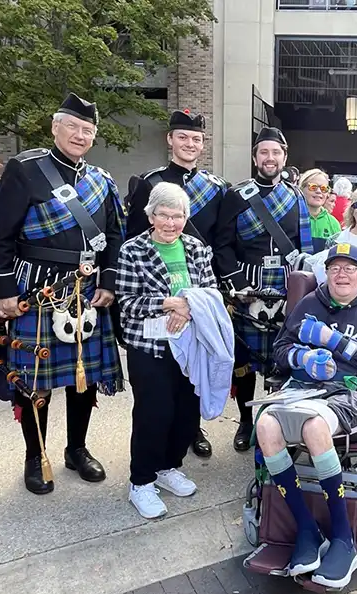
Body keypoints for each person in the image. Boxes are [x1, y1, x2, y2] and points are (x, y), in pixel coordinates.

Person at [0, 93, 125, 495]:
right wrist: (4, 290)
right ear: (55, 126)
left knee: (85, 379)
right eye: (73, 127)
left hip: (87, 292)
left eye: (88, 130)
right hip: (37, 291)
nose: (80, 135)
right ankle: (36, 455)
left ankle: (76, 449)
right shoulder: (25, 169)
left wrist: (109, 281)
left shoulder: (102, 179)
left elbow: (114, 235)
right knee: (33, 380)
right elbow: (0, 235)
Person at [256, 243, 357, 589]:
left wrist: (333, 341)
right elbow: (280, 349)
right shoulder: (309, 304)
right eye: (335, 268)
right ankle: (306, 528)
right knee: (265, 425)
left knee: (315, 427)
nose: (342, 274)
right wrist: (303, 360)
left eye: (350, 268)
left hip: (349, 391)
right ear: (327, 273)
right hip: (303, 386)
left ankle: (344, 540)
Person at [125, 109, 227, 458]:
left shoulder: (215, 187)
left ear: (203, 144)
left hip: (200, 286)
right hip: (156, 300)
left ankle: (190, 432)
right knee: (156, 401)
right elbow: (135, 241)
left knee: (190, 385)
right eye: (182, 136)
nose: (189, 143)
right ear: (170, 139)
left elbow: (223, 239)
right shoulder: (148, 183)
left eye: (196, 138)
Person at [117, 182, 220, 519]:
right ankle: (142, 481)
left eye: (178, 216)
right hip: (150, 346)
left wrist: (186, 308)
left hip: (190, 343)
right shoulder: (132, 251)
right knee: (153, 412)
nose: (171, 223)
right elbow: (128, 304)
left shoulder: (197, 248)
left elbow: (210, 292)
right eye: (164, 215)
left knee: (185, 412)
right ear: (151, 216)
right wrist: (168, 303)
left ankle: (168, 467)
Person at [212, 126, 313, 451]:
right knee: (245, 361)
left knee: (281, 358)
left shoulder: (297, 196)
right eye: (264, 152)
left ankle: (275, 423)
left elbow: (304, 248)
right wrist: (237, 282)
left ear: (284, 157)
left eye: (276, 153)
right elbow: (222, 245)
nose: (270, 158)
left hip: (286, 286)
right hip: (247, 286)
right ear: (255, 157)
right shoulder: (235, 195)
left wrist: (303, 285)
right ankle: (245, 421)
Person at [301, 169, 340, 253]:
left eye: (323, 188)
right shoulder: (291, 218)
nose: (319, 191)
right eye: (313, 187)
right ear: (301, 189)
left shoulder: (333, 223)